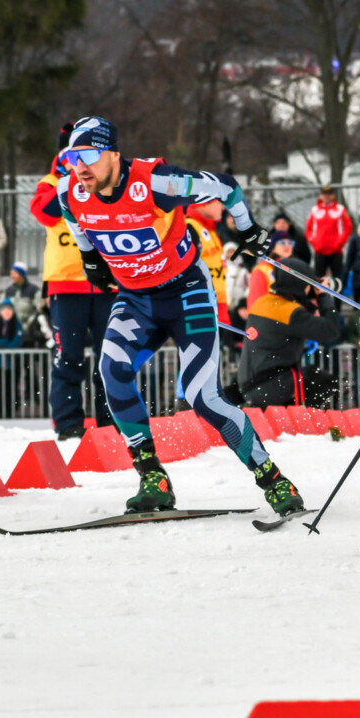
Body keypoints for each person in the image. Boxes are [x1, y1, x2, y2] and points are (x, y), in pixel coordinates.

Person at [56, 115, 304, 516]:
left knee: (202, 396)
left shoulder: (154, 183)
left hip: (186, 294)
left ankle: (272, 478)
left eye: (88, 156)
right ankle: (152, 474)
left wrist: (246, 227)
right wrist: (90, 259)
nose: (79, 167)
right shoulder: (71, 191)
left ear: (113, 155)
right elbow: (74, 218)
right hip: (136, 299)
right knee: (111, 370)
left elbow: (225, 186)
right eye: (71, 158)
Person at [30, 135, 116, 439]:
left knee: (111, 356)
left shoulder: (103, 180)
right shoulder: (50, 181)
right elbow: (44, 212)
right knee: (69, 356)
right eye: (72, 154)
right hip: (66, 286)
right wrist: (68, 180)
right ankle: (68, 425)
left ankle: (113, 422)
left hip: (107, 284)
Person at [237, 257, 341, 409]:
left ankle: (288, 416)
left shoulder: (262, 303)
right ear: (299, 284)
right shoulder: (290, 313)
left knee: (308, 376)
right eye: (308, 284)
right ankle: (300, 423)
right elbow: (331, 331)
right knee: (324, 381)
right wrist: (325, 296)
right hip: (272, 385)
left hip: (250, 385)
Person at [185, 204, 232, 323]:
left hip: (218, 301)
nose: (222, 207)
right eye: (217, 202)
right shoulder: (190, 227)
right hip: (201, 302)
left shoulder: (210, 230)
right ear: (203, 204)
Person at [0, 298, 25, 419]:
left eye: (9, 309)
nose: (7, 312)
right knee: (1, 387)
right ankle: (2, 410)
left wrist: (3, 346)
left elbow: (16, 342)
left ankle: (13, 409)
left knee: (12, 386)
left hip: (13, 362)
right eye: (4, 309)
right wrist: (5, 342)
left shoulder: (17, 324)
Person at [306, 185, 352, 282]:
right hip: (320, 251)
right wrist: (315, 243)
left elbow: (348, 227)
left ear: (333, 195)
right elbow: (308, 230)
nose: (327, 196)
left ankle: (337, 297)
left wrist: (339, 243)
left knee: (337, 280)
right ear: (320, 195)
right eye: (324, 194)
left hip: (336, 251)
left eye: (329, 194)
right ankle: (320, 297)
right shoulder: (314, 210)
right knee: (318, 280)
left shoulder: (340, 209)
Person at [246, 232, 293, 308]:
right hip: (269, 316)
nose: (287, 246)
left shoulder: (293, 269)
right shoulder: (262, 270)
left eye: (290, 243)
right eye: (282, 242)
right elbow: (256, 302)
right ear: (273, 247)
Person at [3, 262, 42, 329]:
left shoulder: (34, 290)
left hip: (29, 330)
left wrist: (28, 324)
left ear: (22, 275)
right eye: (11, 273)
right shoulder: (8, 291)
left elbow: (38, 310)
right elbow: (3, 309)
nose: (12, 276)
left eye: (15, 273)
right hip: (11, 330)